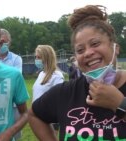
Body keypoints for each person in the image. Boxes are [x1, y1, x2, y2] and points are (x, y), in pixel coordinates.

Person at [28, 5, 126, 140]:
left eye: (95, 43)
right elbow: (34, 115)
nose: (88, 53)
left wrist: (119, 104)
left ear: (116, 47)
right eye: (80, 50)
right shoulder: (66, 92)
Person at [0, 28, 23, 140]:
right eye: (0, 41)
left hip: (13, 104)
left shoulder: (16, 59)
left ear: (9, 42)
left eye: (5, 41)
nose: (3, 44)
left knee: (15, 133)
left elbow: (16, 79)